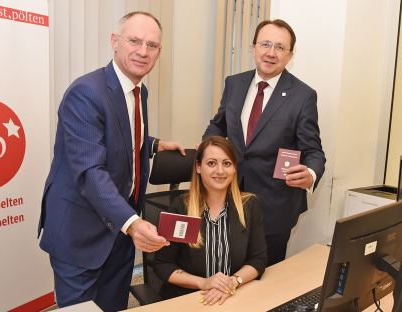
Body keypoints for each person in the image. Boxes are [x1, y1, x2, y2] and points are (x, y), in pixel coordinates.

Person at [38, 11, 184, 311]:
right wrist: (132, 223)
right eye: (134, 41)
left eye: (152, 45)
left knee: (114, 305)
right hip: (81, 233)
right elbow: (90, 169)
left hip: (119, 232)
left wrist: (152, 143)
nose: (143, 51)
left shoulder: (138, 91)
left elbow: (120, 130)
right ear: (114, 42)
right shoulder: (86, 92)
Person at [203, 19, 326, 266]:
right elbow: (219, 124)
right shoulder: (234, 83)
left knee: (266, 276)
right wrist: (207, 150)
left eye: (280, 47)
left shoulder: (303, 96)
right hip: (228, 194)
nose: (271, 53)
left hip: (274, 205)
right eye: (265, 44)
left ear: (290, 55)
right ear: (253, 47)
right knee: (224, 265)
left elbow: (313, 150)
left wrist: (310, 173)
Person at [154, 136, 267, 305]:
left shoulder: (249, 205)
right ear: (198, 167)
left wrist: (233, 282)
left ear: (235, 168)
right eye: (212, 163)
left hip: (232, 296)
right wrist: (204, 283)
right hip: (189, 298)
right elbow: (163, 264)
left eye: (227, 163)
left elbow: (258, 259)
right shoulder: (181, 208)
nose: (220, 171)